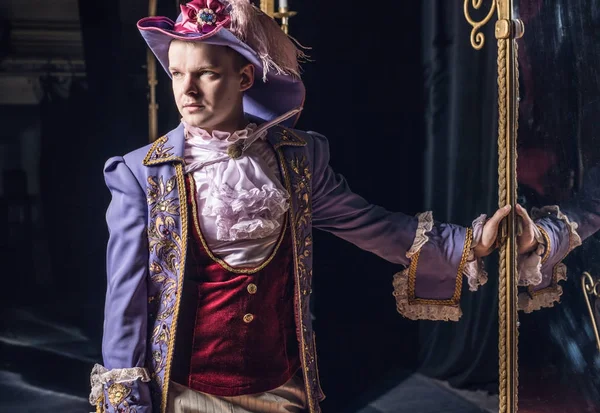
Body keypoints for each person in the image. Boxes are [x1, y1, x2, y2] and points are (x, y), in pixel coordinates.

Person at [87, 1, 561, 412]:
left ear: (244, 76)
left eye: (206, 73)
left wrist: (469, 243)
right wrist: (129, 401)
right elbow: (124, 302)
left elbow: (372, 225)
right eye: (177, 73)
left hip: (282, 386)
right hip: (186, 393)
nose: (187, 90)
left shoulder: (297, 157)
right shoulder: (141, 174)